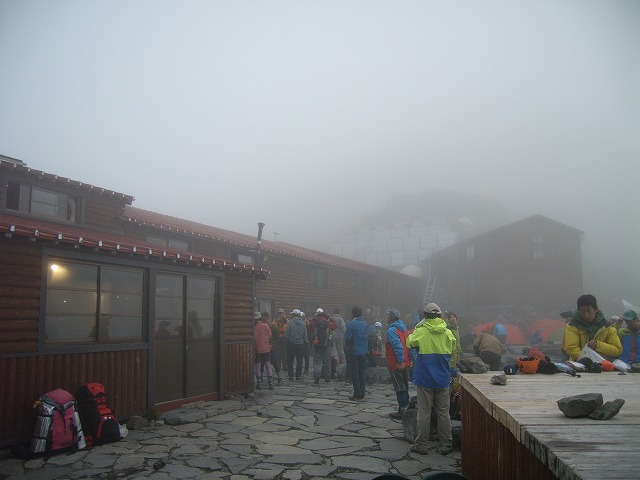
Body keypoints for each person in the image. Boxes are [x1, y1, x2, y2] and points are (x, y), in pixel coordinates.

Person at [406, 302, 456, 456]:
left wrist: (417, 329)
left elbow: (409, 343)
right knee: (443, 412)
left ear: (425, 316)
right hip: (442, 378)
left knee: (424, 412)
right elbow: (453, 349)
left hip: (424, 378)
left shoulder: (421, 332)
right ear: (440, 316)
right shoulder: (448, 333)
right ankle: (445, 444)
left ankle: (421, 445)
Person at [564, 294, 622, 361]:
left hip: (603, 367)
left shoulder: (607, 326)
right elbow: (571, 348)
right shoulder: (572, 325)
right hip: (579, 366)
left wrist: (598, 345)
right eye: (582, 311)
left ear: (596, 309)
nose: (586, 314)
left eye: (589, 311)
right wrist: (587, 361)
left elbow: (617, 350)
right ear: (578, 311)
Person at [384, 307, 411, 419]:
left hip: (396, 364)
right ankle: (407, 409)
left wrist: (399, 362)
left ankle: (402, 411)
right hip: (406, 362)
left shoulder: (391, 331)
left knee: (399, 388)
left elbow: (397, 346)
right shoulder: (404, 329)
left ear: (390, 318)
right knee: (405, 387)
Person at [344, 306, 369, 401]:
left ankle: (357, 393)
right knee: (362, 372)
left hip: (354, 351)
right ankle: (362, 393)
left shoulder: (351, 324)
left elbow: (347, 338)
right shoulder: (365, 323)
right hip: (363, 350)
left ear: (352, 313)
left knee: (354, 372)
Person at [309, 311, 337, 384]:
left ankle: (317, 376)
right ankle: (327, 378)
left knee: (316, 362)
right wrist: (330, 318)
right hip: (326, 346)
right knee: (327, 363)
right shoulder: (328, 323)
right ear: (325, 317)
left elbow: (309, 326)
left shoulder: (314, 323)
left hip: (316, 345)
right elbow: (336, 326)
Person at [284, 309, 308, 380]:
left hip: (291, 343)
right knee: (299, 360)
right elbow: (305, 334)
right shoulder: (303, 323)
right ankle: (298, 375)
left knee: (290, 360)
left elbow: (287, 334)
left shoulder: (290, 323)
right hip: (300, 344)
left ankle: (291, 375)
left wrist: (286, 341)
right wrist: (305, 341)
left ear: (293, 315)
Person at [254, 312, 274, 390]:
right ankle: (270, 382)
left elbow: (254, 338)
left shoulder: (254, 327)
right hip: (266, 348)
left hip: (257, 349)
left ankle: (259, 382)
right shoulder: (266, 326)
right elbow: (270, 336)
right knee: (268, 365)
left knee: (257, 366)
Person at [271, 309, 288, 381]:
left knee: (284, 352)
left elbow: (286, 328)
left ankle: (285, 365)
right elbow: (275, 329)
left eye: (281, 313)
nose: (280, 315)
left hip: (284, 338)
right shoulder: (274, 321)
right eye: (279, 313)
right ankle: (278, 366)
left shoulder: (286, 321)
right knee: (277, 353)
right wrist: (278, 323)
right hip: (277, 339)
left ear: (284, 313)